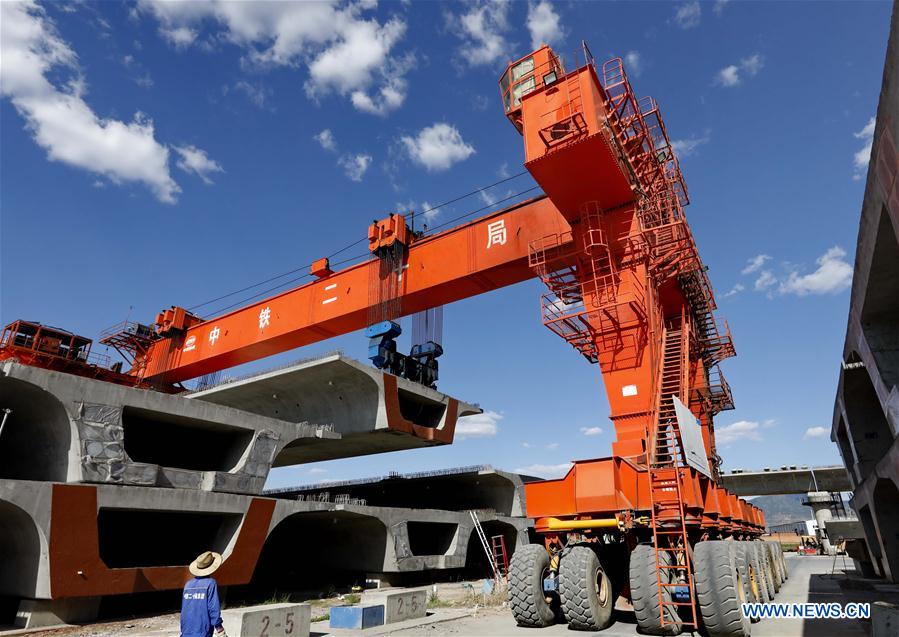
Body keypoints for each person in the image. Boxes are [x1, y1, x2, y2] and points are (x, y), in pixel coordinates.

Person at [181, 551, 227, 637]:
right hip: (202, 631)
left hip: (186, 631)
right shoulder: (211, 583)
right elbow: (213, 608)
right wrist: (219, 627)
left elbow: (184, 609)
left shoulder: (188, 584)